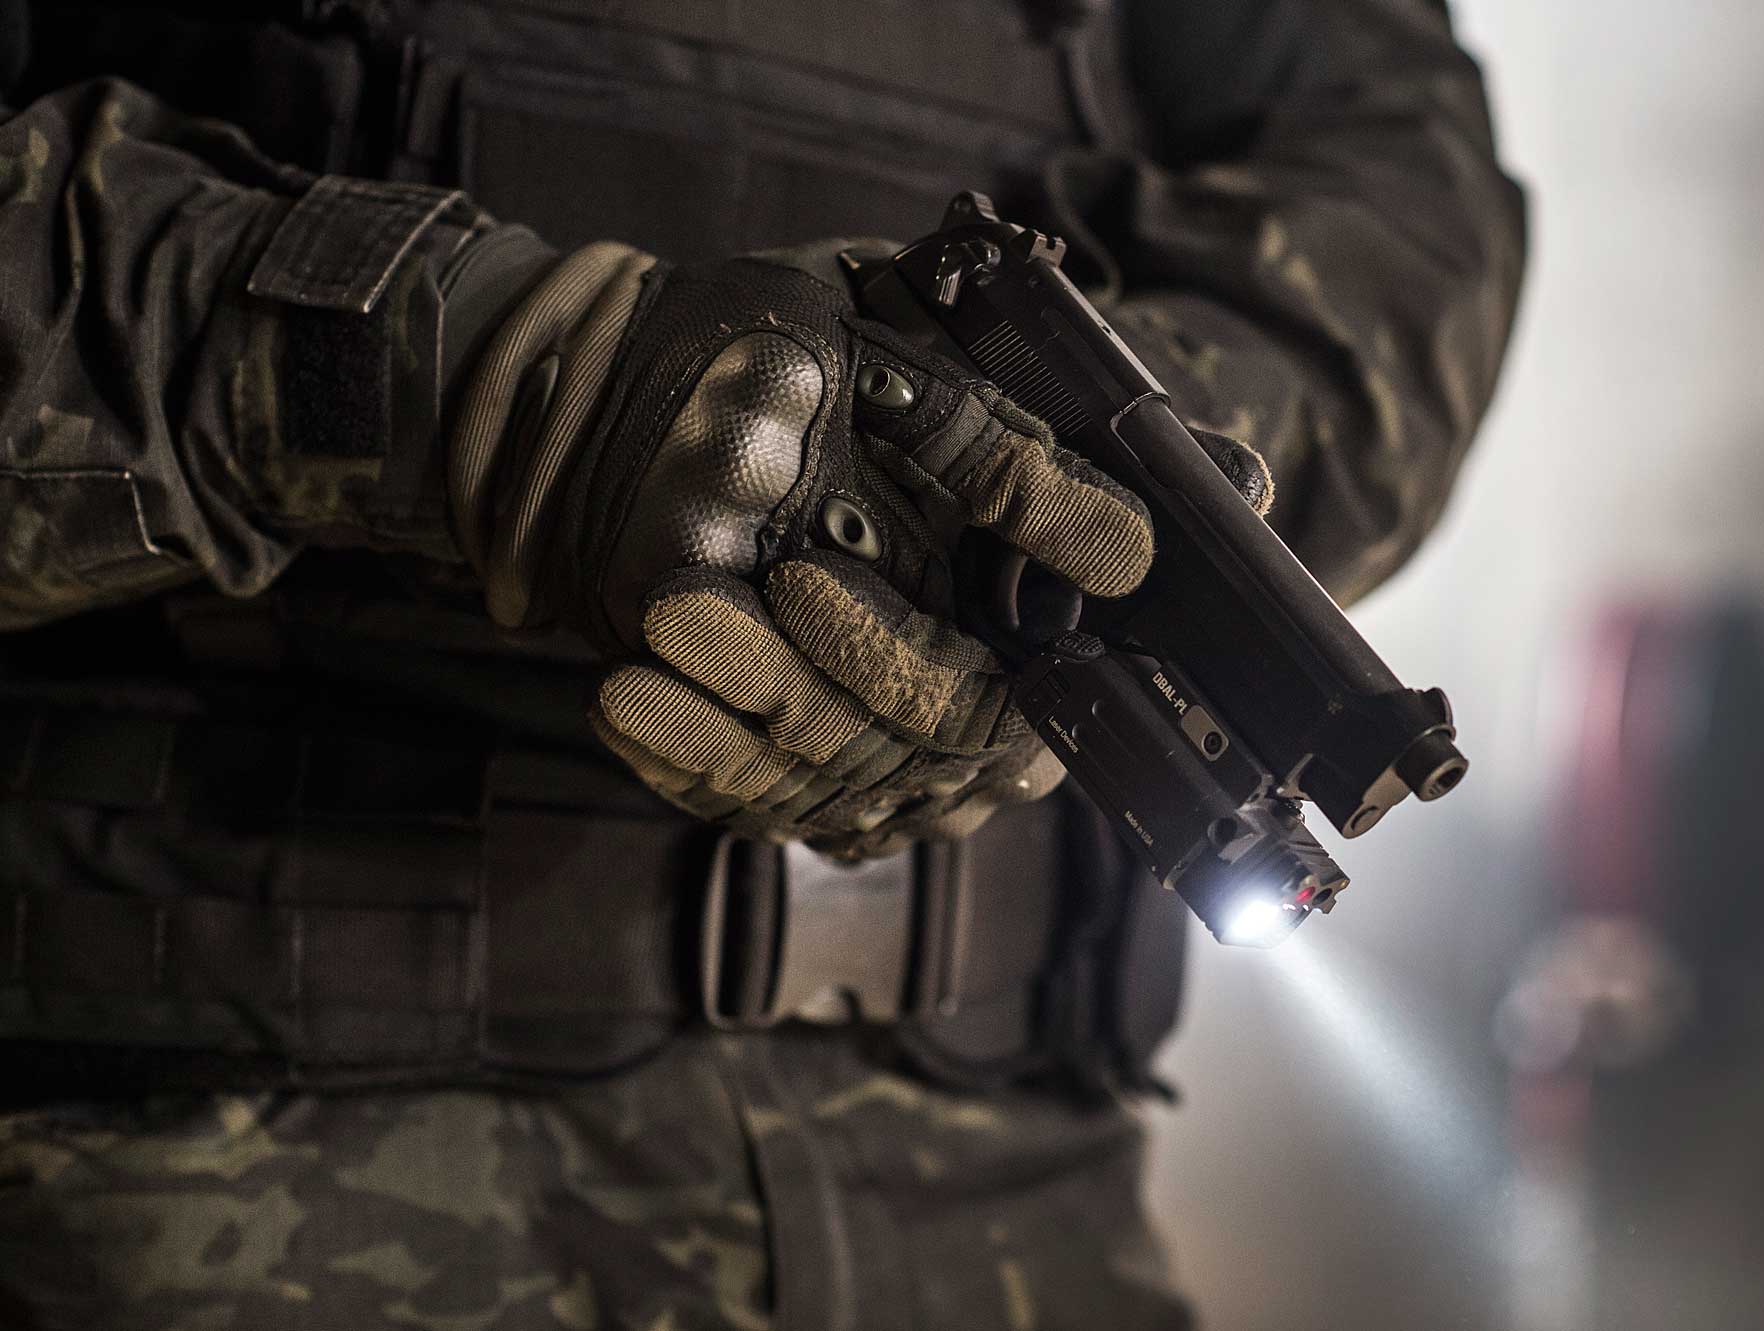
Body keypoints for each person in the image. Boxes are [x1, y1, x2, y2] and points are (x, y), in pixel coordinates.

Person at [0, 1, 1525, 1326]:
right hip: (212, 1168)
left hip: (995, 1195)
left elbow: (1402, 218)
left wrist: (1077, 453)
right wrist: (484, 373)